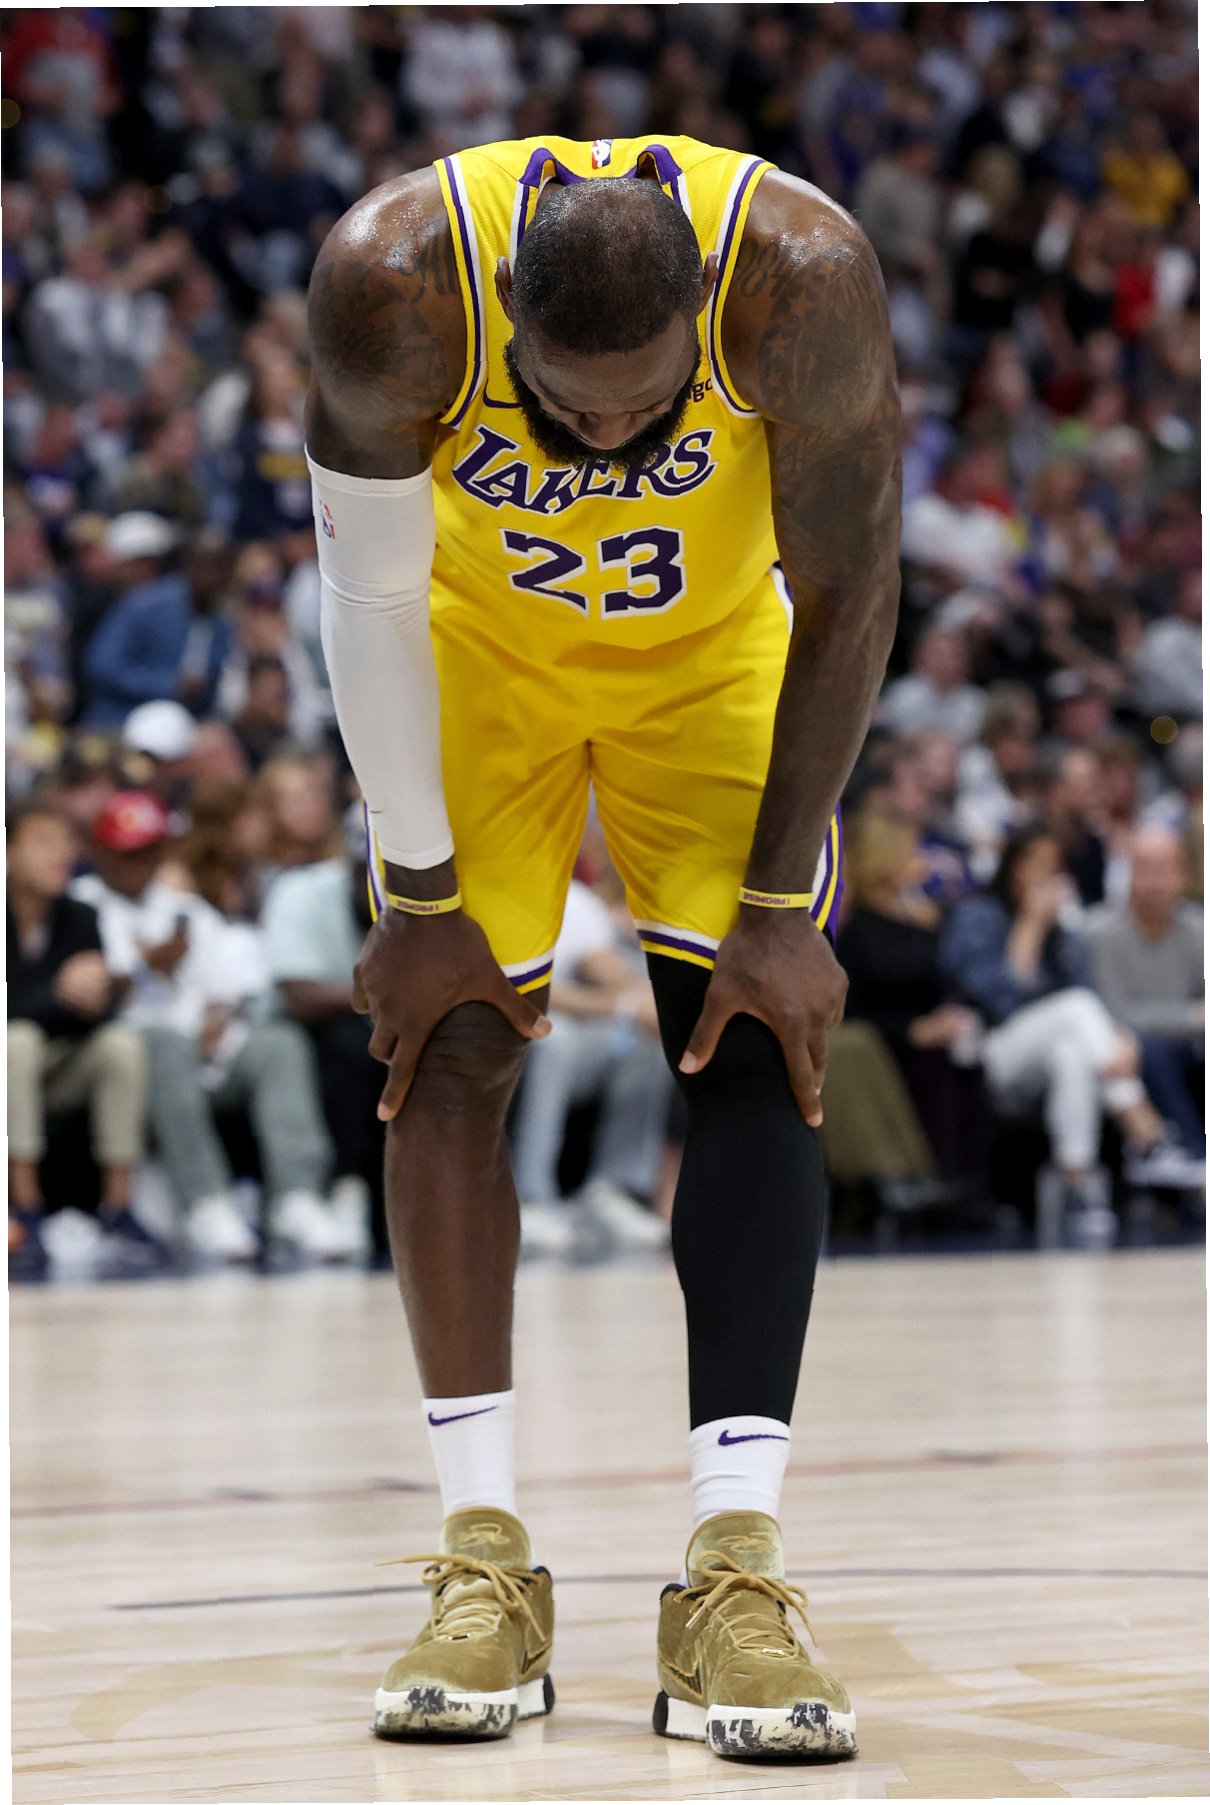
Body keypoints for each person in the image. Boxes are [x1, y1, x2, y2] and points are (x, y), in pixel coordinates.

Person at [306, 132, 900, 1754]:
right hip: (474, 652)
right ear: (504, 302)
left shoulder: (801, 277)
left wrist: (776, 910)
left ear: (705, 301)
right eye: (572, 409)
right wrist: (419, 897)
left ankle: (733, 1574)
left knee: (754, 1033)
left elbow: (851, 587)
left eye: (645, 406)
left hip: (708, 661)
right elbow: (366, 596)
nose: (613, 434)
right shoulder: (393, 281)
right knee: (446, 1044)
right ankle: (483, 1559)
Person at [71, 789, 352, 1264]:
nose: (139, 864)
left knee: (279, 1045)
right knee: (166, 1044)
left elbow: (235, 981)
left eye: (149, 851)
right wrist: (146, 966)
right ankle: (207, 1202)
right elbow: (89, 995)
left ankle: (298, 1198)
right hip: (135, 1055)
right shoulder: (82, 905)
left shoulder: (182, 905)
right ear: (101, 853)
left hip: (207, 1045)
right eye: (127, 853)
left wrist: (220, 1016)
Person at [939, 826, 1184, 1221]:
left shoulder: (1065, 930)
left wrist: (1122, 1041)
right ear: (1013, 867)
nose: (1045, 876)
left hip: (1055, 1055)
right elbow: (1001, 1001)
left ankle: (1077, 1186)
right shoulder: (977, 917)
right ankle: (1148, 1134)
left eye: (1053, 868)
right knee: (1073, 1009)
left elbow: (1093, 999)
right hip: (989, 1054)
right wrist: (1032, 924)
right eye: (1036, 864)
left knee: (1070, 1052)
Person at [6, 798, 150, 1277]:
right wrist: (57, 993)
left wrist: (100, 993)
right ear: (7, 853)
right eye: (43, 841)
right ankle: (24, 1208)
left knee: (120, 1046)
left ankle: (118, 1209)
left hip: (56, 1067)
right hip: (14, 1062)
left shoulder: (80, 915)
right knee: (16, 1041)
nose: (60, 855)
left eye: (65, 842)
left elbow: (98, 1015)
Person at [510, 870, 673, 1256]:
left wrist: (647, 1002)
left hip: (576, 1035)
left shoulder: (576, 900)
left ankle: (614, 1189)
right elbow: (525, 993)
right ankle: (531, 1198)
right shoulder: (500, 893)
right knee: (553, 1039)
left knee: (648, 1040)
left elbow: (611, 972)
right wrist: (621, 1006)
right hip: (516, 1032)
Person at [1084, 826, 1204, 1172]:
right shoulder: (1100, 932)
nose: (1157, 882)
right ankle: (1194, 1157)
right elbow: (1116, 1011)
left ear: (1183, 874)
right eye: (1147, 869)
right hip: (1132, 1050)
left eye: (1166, 869)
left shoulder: (1198, 927)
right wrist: (1192, 1017)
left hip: (1191, 1047)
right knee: (1149, 1048)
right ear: (1128, 874)